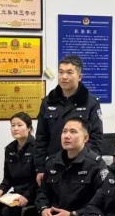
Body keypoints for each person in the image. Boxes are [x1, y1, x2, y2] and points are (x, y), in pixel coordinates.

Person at [34, 54, 103, 186]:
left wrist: (86, 163)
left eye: (69, 73)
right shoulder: (48, 102)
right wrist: (40, 168)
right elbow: (41, 138)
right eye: (61, 72)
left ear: (79, 77)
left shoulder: (91, 103)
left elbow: (96, 138)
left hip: (81, 167)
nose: (64, 77)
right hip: (53, 167)